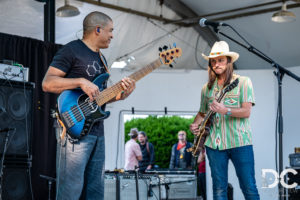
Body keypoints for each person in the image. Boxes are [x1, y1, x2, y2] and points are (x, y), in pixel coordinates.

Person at [42, 11, 136, 200]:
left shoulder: (102, 59)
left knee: (95, 192)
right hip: (73, 132)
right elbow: (47, 83)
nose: (112, 35)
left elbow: (99, 99)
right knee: (70, 191)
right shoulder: (71, 50)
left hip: (97, 131)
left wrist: (121, 95)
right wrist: (80, 82)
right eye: (110, 31)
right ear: (98, 29)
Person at [190, 41, 260, 200]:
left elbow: (246, 111)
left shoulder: (243, 82)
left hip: (240, 143)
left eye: (220, 60)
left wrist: (225, 110)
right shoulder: (206, 88)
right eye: (213, 61)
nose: (216, 64)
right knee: (219, 189)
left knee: (248, 186)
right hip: (214, 145)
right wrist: (194, 125)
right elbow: (202, 113)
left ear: (229, 61)